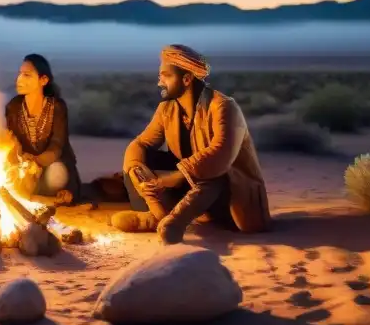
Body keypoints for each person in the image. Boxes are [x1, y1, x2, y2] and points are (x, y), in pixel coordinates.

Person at [111, 45, 271, 244]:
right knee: (142, 160)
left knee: (213, 172)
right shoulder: (167, 108)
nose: (159, 82)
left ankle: (174, 221)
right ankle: (160, 216)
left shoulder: (224, 107)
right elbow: (141, 142)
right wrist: (138, 171)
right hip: (192, 189)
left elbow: (220, 155)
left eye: (165, 76)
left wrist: (173, 177)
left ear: (186, 79)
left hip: (228, 196)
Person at [5, 54, 81, 205]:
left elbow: (57, 145)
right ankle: (39, 198)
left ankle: (46, 197)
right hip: (26, 167)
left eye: (27, 75)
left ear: (43, 80)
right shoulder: (13, 107)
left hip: (52, 164)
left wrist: (36, 161)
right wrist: (22, 160)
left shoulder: (57, 107)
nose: (19, 80)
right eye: (20, 74)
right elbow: (12, 141)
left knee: (56, 175)